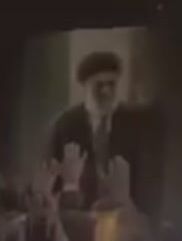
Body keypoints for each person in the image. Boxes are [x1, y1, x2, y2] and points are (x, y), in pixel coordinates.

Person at [47, 50, 156, 213]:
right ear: (85, 86)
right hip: (80, 216)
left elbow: (147, 178)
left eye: (111, 84)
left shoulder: (136, 123)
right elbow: (52, 179)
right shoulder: (65, 124)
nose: (106, 91)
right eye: (99, 85)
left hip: (125, 215)